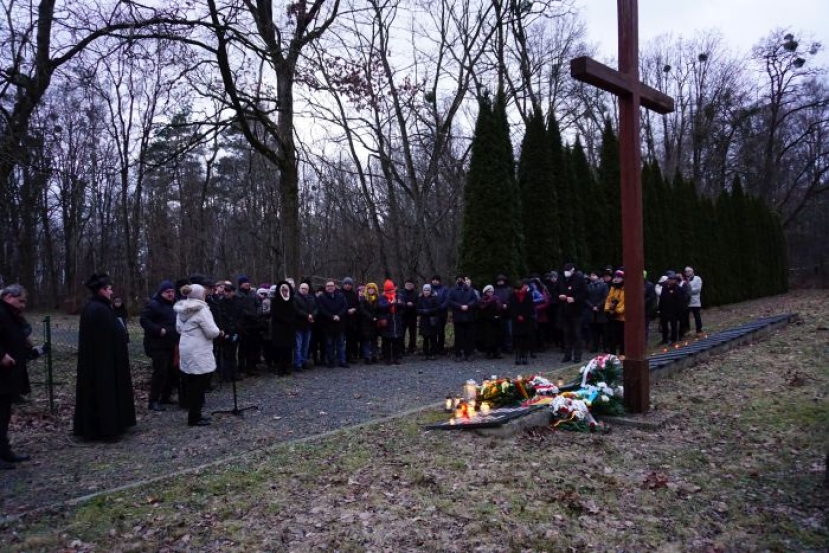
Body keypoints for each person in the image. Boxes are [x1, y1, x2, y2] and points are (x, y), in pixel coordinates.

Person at [73, 273, 136, 441]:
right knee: (103, 393)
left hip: (107, 360)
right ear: (101, 290)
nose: (111, 291)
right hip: (102, 363)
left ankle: (112, 425)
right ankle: (105, 429)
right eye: (109, 289)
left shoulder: (100, 307)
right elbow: (100, 340)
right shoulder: (96, 309)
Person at [0, 284, 46, 469]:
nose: (23, 305)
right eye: (21, 301)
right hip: (2, 372)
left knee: (3, 414)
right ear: (8, 297)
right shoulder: (2, 312)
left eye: (25, 301)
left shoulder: (11, 315)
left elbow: (16, 337)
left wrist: (32, 351)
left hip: (8, 374)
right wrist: (1, 355)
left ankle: (5, 451)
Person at [174, 284, 221, 426]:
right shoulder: (202, 310)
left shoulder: (181, 309)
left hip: (186, 347)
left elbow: (178, 329)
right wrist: (220, 331)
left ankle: (194, 414)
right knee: (199, 384)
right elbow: (212, 332)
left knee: (191, 381)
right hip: (199, 350)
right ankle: (195, 417)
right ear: (201, 295)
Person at [140, 280, 180, 412]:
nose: (170, 294)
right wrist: (158, 330)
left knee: (171, 372)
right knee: (160, 373)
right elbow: (144, 320)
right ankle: (153, 401)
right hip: (157, 345)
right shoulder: (154, 305)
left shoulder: (173, 305)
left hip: (171, 344)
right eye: (167, 292)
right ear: (161, 292)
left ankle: (165, 397)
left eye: (172, 292)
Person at [557, 263, 587, 363]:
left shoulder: (579, 279)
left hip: (576, 311)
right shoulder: (561, 278)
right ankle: (567, 355)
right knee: (566, 333)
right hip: (564, 311)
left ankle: (577, 356)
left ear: (572, 270)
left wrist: (575, 298)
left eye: (568, 271)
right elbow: (555, 290)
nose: (566, 273)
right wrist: (559, 296)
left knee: (577, 333)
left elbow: (585, 293)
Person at [317, 280, 349, 368]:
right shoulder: (321, 297)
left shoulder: (340, 295)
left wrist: (338, 315)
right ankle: (331, 361)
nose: (330, 287)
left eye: (331, 286)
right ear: (325, 287)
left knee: (341, 344)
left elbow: (345, 306)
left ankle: (342, 361)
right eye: (328, 286)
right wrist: (332, 316)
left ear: (334, 287)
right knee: (329, 344)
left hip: (339, 324)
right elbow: (321, 309)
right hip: (328, 324)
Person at [270, 280, 297, 376]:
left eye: (286, 290)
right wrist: (286, 320)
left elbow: (294, 313)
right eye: (283, 290)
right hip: (279, 329)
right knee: (280, 350)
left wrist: (290, 320)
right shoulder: (275, 301)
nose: (285, 292)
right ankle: (279, 368)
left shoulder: (292, 301)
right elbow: (275, 314)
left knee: (288, 349)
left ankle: (287, 367)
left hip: (289, 329)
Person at [448, 275, 478, 362]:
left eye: (462, 279)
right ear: (456, 281)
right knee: (458, 337)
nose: (460, 280)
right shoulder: (452, 290)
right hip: (458, 316)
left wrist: (468, 306)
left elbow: (474, 300)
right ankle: (458, 354)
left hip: (469, 316)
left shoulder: (470, 290)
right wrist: (460, 306)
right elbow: (450, 301)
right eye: (458, 279)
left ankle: (468, 354)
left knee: (469, 336)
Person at [378, 279, 406, 365]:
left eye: (392, 289)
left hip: (396, 321)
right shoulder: (382, 297)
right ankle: (387, 358)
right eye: (389, 290)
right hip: (387, 322)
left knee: (396, 341)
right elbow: (381, 307)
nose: (391, 291)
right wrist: (391, 304)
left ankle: (396, 358)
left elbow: (403, 306)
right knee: (386, 341)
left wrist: (398, 305)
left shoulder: (398, 296)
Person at [509, 280, 535, 365]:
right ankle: (518, 356)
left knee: (525, 338)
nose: (518, 291)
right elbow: (511, 307)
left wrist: (523, 315)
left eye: (519, 289)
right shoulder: (512, 296)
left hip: (526, 320)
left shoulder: (528, 295)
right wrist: (517, 315)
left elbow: (530, 308)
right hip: (516, 320)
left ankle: (524, 356)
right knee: (517, 339)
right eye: (516, 289)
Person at [293, 281, 317, 371]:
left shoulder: (311, 298)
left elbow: (316, 308)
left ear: (308, 290)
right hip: (298, 326)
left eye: (306, 289)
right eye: (302, 288)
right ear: (299, 289)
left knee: (305, 346)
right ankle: (297, 363)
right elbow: (296, 310)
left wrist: (313, 315)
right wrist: (307, 316)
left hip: (308, 326)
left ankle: (304, 362)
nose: (304, 290)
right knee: (298, 346)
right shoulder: (295, 298)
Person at [585, 270, 609, 353]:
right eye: (591, 275)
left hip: (601, 311)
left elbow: (605, 297)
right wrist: (592, 306)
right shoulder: (588, 286)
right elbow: (586, 298)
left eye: (593, 275)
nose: (591, 276)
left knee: (604, 331)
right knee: (593, 331)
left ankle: (606, 347)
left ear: (598, 276)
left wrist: (598, 306)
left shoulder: (604, 285)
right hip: (592, 311)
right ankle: (595, 346)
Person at [604, 270, 626, 357]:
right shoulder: (613, 287)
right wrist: (607, 309)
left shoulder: (626, 288)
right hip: (612, 316)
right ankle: (612, 357)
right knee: (612, 338)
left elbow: (625, 302)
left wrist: (617, 311)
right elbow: (608, 299)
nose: (616, 279)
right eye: (615, 277)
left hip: (622, 318)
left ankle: (622, 356)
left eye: (619, 277)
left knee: (622, 338)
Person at [358, 282, 381, 364]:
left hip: (375, 323)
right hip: (366, 323)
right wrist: (371, 317)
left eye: (373, 288)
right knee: (366, 340)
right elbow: (362, 310)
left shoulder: (378, 298)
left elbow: (379, 310)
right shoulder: (363, 299)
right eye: (369, 288)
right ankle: (367, 357)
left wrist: (376, 317)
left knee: (374, 340)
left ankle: (375, 356)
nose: (371, 290)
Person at [416, 284, 441, 360]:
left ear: (430, 291)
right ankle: (425, 354)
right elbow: (417, 309)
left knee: (433, 338)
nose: (426, 292)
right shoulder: (420, 298)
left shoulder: (435, 298)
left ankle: (433, 353)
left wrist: (428, 311)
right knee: (425, 339)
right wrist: (424, 311)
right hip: (424, 321)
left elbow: (437, 309)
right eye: (424, 290)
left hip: (432, 320)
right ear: (422, 291)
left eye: (427, 290)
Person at [477, 284, 502, 359]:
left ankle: (496, 352)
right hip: (487, 322)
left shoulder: (496, 299)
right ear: (485, 292)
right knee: (488, 338)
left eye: (492, 291)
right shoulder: (483, 300)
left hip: (496, 321)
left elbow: (499, 308)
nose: (491, 293)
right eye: (489, 291)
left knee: (497, 337)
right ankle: (488, 353)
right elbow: (481, 310)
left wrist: (498, 316)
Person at [400, 279, 419, 355]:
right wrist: (405, 304)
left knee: (412, 333)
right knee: (402, 333)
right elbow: (399, 302)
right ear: (405, 285)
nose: (408, 286)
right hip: (403, 315)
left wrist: (413, 304)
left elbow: (418, 304)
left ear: (413, 285)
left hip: (412, 315)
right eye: (407, 284)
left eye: (410, 284)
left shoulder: (416, 293)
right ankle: (401, 348)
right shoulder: (401, 292)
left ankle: (412, 347)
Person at [685, 266, 704, 334]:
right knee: (685, 316)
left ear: (692, 271)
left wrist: (688, 291)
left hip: (695, 301)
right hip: (686, 302)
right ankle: (687, 329)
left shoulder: (697, 278)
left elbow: (698, 289)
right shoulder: (684, 279)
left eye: (688, 271)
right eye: (685, 271)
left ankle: (699, 329)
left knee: (697, 316)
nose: (686, 272)